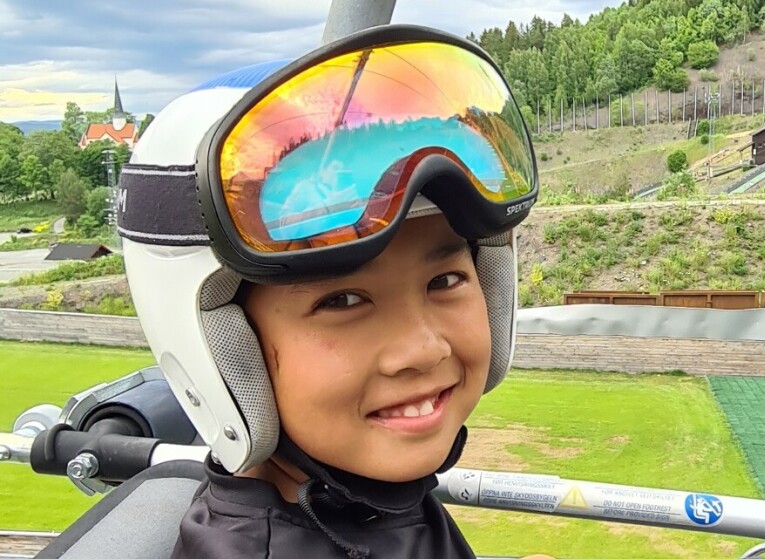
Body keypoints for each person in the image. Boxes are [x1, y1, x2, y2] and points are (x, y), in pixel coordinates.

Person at [117, 23, 553, 559]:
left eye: (445, 281)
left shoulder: (368, 509)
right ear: (222, 351)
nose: (423, 348)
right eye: (343, 301)